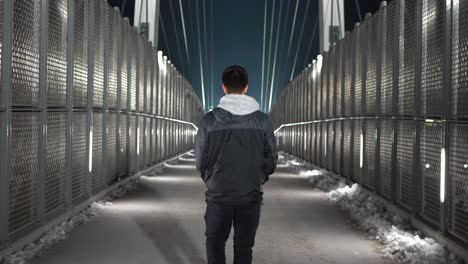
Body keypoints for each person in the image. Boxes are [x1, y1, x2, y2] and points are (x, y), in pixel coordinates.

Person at [195, 65, 278, 264]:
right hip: (250, 194)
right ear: (246, 87)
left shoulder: (209, 121)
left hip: (218, 194)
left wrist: (211, 178)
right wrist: (259, 177)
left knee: (215, 241)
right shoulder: (262, 120)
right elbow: (272, 159)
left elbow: (200, 159)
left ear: (223, 87)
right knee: (244, 246)